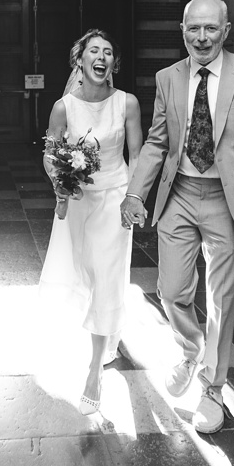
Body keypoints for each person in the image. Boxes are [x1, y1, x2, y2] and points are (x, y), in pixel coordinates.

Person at [120, 0, 234, 434]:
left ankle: (212, 388)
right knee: (170, 290)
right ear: (183, 31)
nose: (202, 37)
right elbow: (157, 142)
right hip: (178, 196)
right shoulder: (168, 77)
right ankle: (192, 349)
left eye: (211, 28)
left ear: (226, 31)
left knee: (222, 299)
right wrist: (136, 192)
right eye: (194, 28)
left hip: (229, 202)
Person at [38, 29, 142, 415]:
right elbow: (51, 154)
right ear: (79, 61)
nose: (102, 57)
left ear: (114, 63)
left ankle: (94, 371)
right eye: (94, 51)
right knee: (84, 275)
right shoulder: (63, 107)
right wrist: (60, 181)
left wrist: (134, 199)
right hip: (78, 204)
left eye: (109, 52)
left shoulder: (127, 104)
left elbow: (137, 154)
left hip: (114, 201)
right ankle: (107, 336)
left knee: (108, 276)